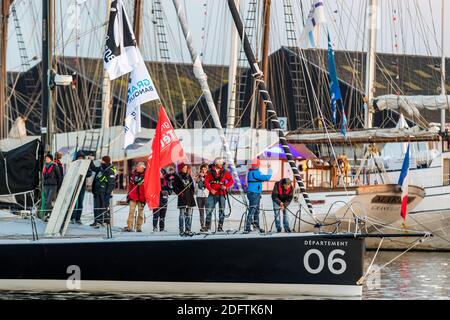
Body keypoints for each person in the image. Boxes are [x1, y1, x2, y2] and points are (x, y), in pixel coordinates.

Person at [204, 157, 234, 232]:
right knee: (209, 210)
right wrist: (211, 189)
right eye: (220, 163)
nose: (221, 165)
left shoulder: (225, 172)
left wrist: (226, 186)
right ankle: (207, 227)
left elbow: (231, 181)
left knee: (221, 211)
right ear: (216, 164)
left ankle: (220, 227)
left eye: (222, 163)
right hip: (212, 194)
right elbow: (206, 182)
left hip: (221, 193)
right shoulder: (210, 172)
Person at [245, 158, 272, 233]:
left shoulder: (252, 172)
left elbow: (260, 178)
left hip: (253, 193)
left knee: (255, 210)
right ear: (257, 165)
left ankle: (256, 226)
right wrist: (269, 168)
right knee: (253, 210)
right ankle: (248, 227)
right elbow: (267, 177)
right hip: (254, 193)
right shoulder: (256, 172)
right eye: (258, 164)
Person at [89, 155, 117, 228]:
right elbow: (94, 168)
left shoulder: (110, 170)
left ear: (105, 161)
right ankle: (97, 221)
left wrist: (107, 193)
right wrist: (91, 161)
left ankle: (103, 221)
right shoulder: (101, 168)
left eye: (102, 160)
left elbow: (111, 183)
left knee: (103, 207)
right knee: (96, 207)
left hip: (104, 192)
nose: (101, 161)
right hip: (97, 191)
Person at [173, 162, 196, 236]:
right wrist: (179, 193)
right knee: (182, 214)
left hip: (189, 197)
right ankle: (181, 229)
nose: (185, 169)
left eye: (186, 168)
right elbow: (174, 187)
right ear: (181, 168)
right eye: (184, 168)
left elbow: (192, 186)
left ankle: (188, 229)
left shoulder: (188, 176)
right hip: (182, 197)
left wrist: (192, 192)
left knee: (189, 214)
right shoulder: (177, 176)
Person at [71, 151, 92, 224]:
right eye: (79, 157)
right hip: (74, 185)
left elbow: (89, 173)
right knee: (73, 202)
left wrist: (84, 174)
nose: (80, 159)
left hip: (82, 185)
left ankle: (78, 218)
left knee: (80, 202)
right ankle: (72, 217)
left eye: (81, 157)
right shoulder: (74, 164)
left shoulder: (86, 164)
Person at [124, 162, 146, 232]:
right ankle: (129, 227)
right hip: (133, 196)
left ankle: (138, 227)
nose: (137, 168)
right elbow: (130, 186)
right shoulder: (133, 175)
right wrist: (128, 194)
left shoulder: (146, 175)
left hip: (142, 197)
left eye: (138, 166)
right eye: (137, 166)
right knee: (131, 212)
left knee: (140, 213)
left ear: (142, 167)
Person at [42, 153, 62, 220]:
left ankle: (46, 214)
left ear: (51, 159)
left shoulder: (54, 166)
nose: (46, 159)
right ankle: (49, 214)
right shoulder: (44, 167)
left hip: (53, 186)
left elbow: (59, 177)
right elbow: (43, 177)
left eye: (48, 158)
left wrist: (58, 187)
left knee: (48, 201)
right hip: (46, 186)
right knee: (46, 201)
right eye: (46, 158)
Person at [195, 163, 209, 232]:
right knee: (201, 212)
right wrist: (200, 178)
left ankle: (207, 226)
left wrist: (205, 177)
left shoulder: (209, 176)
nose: (203, 170)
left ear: (207, 170)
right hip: (199, 196)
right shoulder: (198, 176)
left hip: (206, 196)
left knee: (207, 211)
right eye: (202, 169)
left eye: (205, 169)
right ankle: (202, 226)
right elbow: (196, 183)